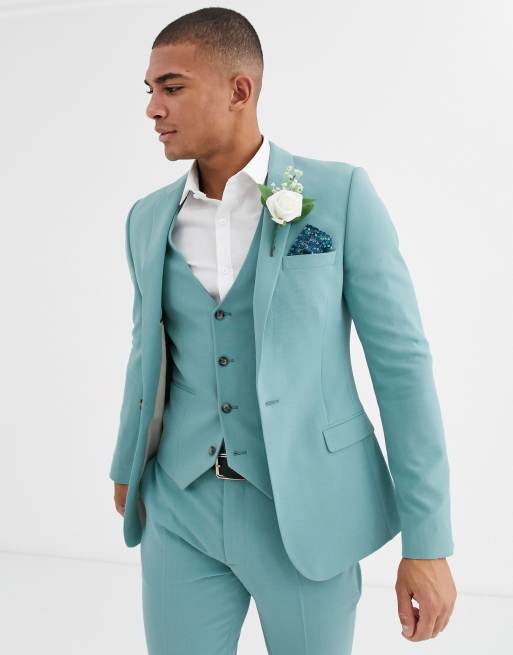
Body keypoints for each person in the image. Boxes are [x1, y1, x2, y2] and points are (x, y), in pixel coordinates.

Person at [109, 7, 457, 654]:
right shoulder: (146, 218)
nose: (153, 108)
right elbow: (145, 351)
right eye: (150, 89)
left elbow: (402, 367)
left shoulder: (339, 194)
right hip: (177, 506)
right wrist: (126, 462)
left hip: (308, 510)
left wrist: (427, 541)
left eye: (172, 87)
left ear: (239, 90)